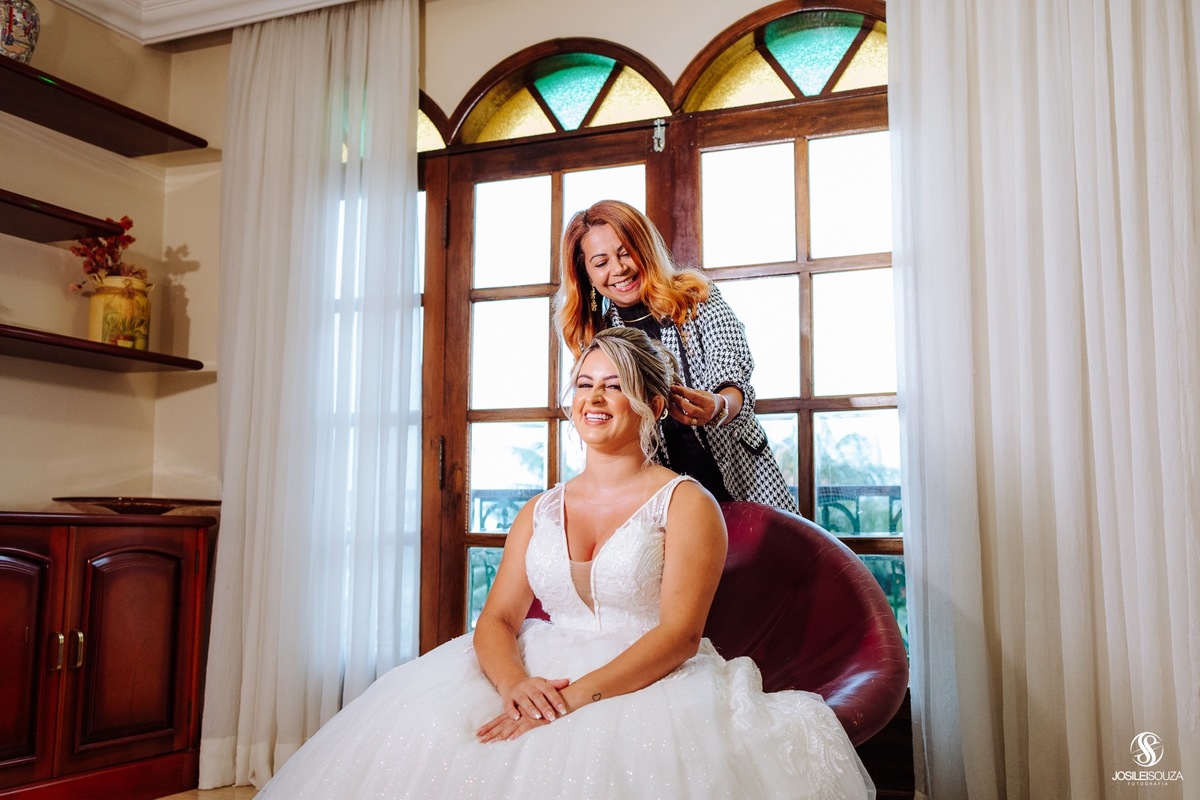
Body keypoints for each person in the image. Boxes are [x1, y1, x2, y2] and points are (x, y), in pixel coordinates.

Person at [255, 327, 873, 799]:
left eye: (615, 385)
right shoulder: (539, 510)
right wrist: (517, 686)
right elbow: (497, 619)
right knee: (427, 739)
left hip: (646, 676)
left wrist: (571, 701)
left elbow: (679, 636)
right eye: (584, 383)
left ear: (653, 404)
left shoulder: (687, 504)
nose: (595, 398)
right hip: (535, 667)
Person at [556, 199, 798, 512]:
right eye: (601, 263)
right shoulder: (598, 336)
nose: (618, 269)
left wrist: (718, 406)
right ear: (586, 274)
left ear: (645, 248)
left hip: (742, 480)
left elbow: (733, 378)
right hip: (660, 495)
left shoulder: (696, 298)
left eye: (626, 252)